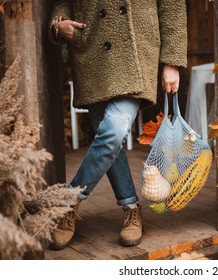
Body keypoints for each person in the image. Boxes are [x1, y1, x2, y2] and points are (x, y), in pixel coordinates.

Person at [48, 0, 187, 249]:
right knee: (109, 138)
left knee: (113, 132)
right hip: (92, 54)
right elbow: (61, 3)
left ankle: (67, 202)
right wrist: (59, 24)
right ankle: (131, 208)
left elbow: (172, 6)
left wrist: (172, 61)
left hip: (134, 53)